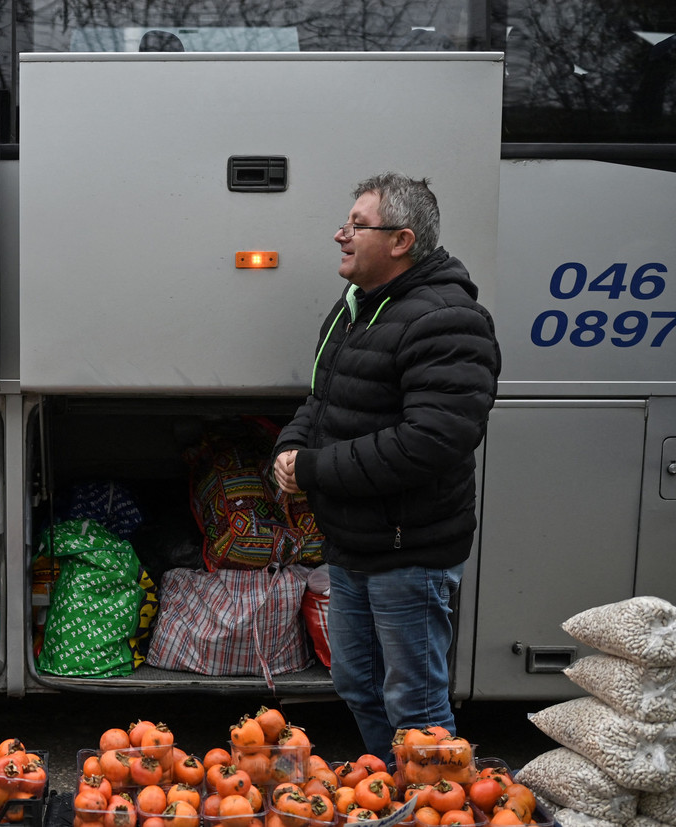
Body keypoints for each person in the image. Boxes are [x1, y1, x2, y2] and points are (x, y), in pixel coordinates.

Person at [271, 172, 501, 760]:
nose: (339, 234)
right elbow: (322, 400)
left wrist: (316, 469)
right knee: (359, 687)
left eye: (356, 224)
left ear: (400, 241)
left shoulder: (448, 319)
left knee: (416, 707)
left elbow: (431, 441)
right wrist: (289, 451)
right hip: (354, 544)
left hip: (410, 552)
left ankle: (435, 807)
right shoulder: (358, 307)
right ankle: (394, 797)